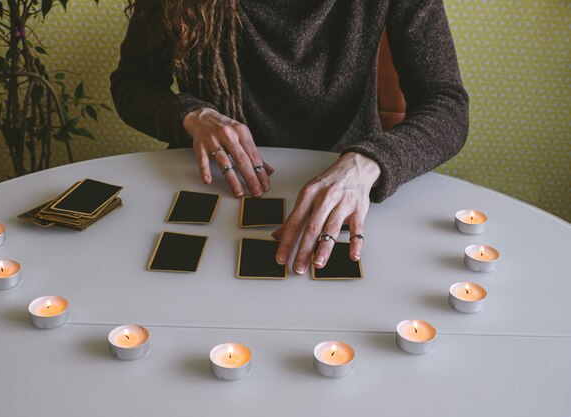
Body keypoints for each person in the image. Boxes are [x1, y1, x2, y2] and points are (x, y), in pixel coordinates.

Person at [110, 0, 469, 275]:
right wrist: (191, 115)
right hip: (215, 185)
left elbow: (447, 106)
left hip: (347, 189)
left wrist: (370, 160)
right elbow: (132, 83)